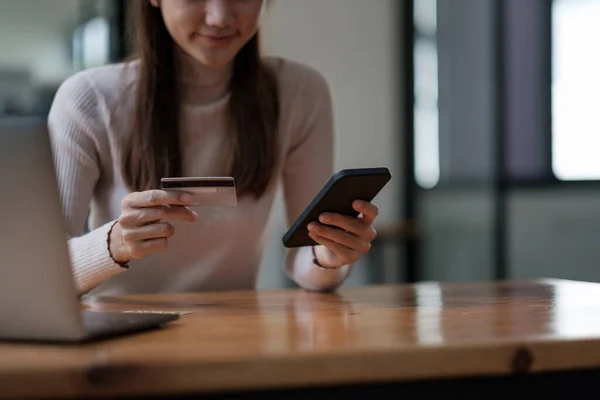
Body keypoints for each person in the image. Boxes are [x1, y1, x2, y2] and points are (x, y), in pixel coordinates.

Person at [48, 0, 380, 297]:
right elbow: (38, 274)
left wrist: (329, 256)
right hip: (119, 338)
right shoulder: (88, 99)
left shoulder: (300, 93)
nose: (220, 16)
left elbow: (305, 258)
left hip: (235, 335)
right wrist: (112, 244)